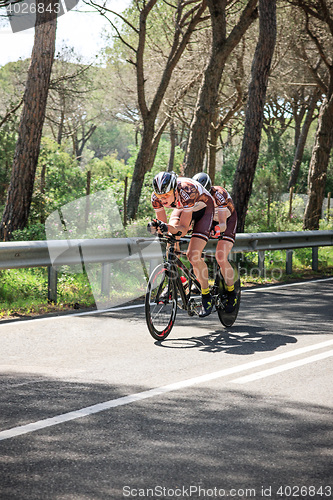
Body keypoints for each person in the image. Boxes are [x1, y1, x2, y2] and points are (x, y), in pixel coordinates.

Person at [151, 171, 214, 317]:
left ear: (175, 189)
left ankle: (206, 295)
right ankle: (174, 282)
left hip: (204, 209)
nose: (163, 200)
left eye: (166, 195)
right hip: (183, 207)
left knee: (193, 255)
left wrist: (169, 229)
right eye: (160, 196)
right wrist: (160, 228)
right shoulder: (155, 197)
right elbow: (164, 225)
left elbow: (183, 229)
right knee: (170, 239)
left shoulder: (187, 191)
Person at [193, 172, 238, 313]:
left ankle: (232, 292)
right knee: (194, 254)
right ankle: (199, 283)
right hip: (210, 219)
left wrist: (217, 229)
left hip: (227, 221)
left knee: (220, 257)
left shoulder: (219, 195)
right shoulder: (192, 195)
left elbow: (223, 224)